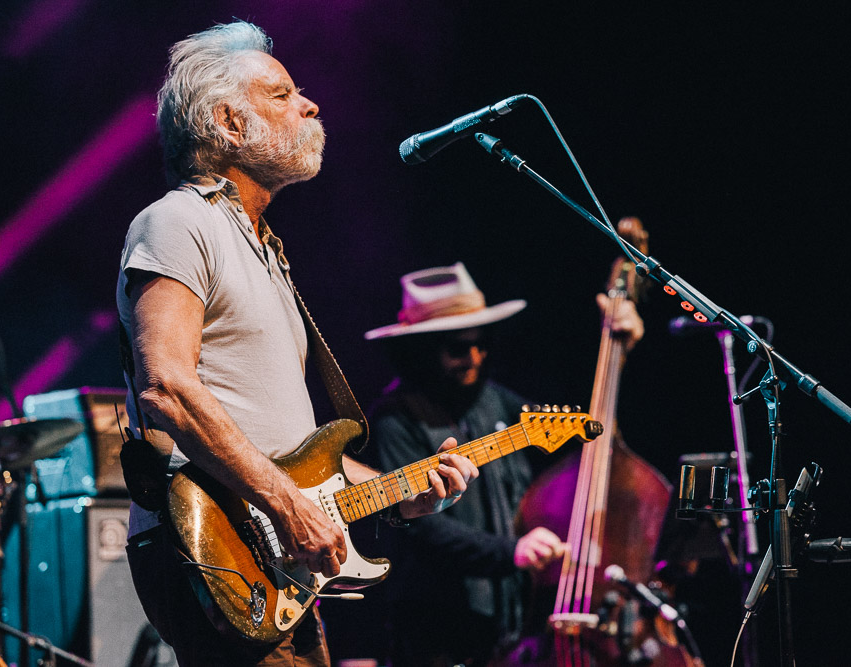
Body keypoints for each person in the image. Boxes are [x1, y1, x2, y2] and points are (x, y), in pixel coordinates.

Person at [115, 22, 478, 667]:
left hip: (272, 564)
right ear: (227, 123)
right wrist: (285, 506)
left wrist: (402, 490)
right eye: (281, 95)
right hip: (216, 549)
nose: (309, 105)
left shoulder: (263, 248)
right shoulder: (177, 222)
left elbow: (293, 454)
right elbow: (165, 386)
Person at [361, 262, 644, 666]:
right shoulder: (395, 418)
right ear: (422, 350)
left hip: (509, 626)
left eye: (481, 345)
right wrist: (511, 551)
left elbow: (583, 438)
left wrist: (616, 354)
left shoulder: (496, 401)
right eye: (458, 348)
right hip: (435, 633)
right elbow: (421, 528)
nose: (474, 358)